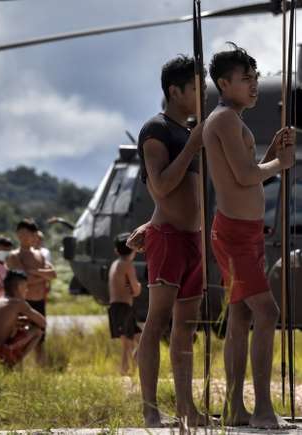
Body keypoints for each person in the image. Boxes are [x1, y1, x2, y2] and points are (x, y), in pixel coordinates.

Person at [202, 43, 295, 429]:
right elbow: (244, 177)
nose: (254, 85)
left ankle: (237, 409)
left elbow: (243, 171)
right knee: (267, 311)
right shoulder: (223, 119)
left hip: (245, 232)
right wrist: (281, 163)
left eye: (256, 78)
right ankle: (261, 410)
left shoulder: (230, 119)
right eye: (245, 79)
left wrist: (270, 153)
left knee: (241, 315)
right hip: (236, 235)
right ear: (224, 83)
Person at [130, 55, 208, 427]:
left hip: (193, 239)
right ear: (175, 91)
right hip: (167, 237)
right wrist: (192, 146)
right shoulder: (156, 129)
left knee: (187, 327)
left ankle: (186, 407)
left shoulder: (191, 129)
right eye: (195, 87)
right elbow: (160, 185)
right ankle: (149, 409)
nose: (201, 93)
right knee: (157, 319)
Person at [6, 219, 56, 365]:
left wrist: (34, 272)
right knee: (20, 337)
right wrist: (41, 276)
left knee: (40, 339)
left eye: (26, 234)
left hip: (39, 301)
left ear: (34, 235)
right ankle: (17, 369)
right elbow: (22, 279)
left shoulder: (39, 255)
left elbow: (53, 274)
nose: (23, 237)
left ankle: (41, 371)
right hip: (22, 303)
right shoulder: (14, 255)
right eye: (20, 233)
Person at [0, 271, 46, 368]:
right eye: (25, 287)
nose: (26, 290)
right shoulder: (17, 303)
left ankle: (7, 364)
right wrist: (28, 320)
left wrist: (18, 321)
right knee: (37, 331)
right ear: (18, 287)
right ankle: (11, 367)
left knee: (18, 327)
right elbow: (43, 323)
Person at [108, 233, 142, 376]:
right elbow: (136, 290)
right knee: (127, 344)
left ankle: (133, 367)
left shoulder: (115, 263)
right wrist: (138, 286)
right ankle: (125, 373)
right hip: (123, 307)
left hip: (118, 307)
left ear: (116, 250)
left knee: (139, 338)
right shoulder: (127, 265)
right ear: (133, 249)